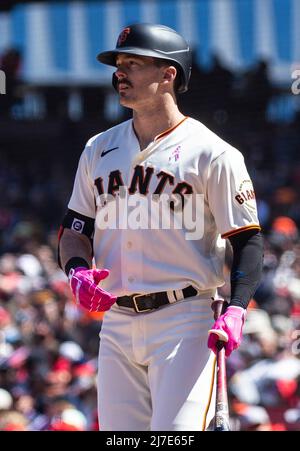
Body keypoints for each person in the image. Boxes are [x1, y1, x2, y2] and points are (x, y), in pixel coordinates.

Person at [58, 23, 263, 431]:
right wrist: (76, 271)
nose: (120, 72)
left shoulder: (214, 153)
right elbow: (74, 228)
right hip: (116, 322)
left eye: (133, 63)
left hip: (185, 319)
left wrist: (237, 307)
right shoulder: (98, 148)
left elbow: (248, 239)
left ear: (168, 74)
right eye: (118, 64)